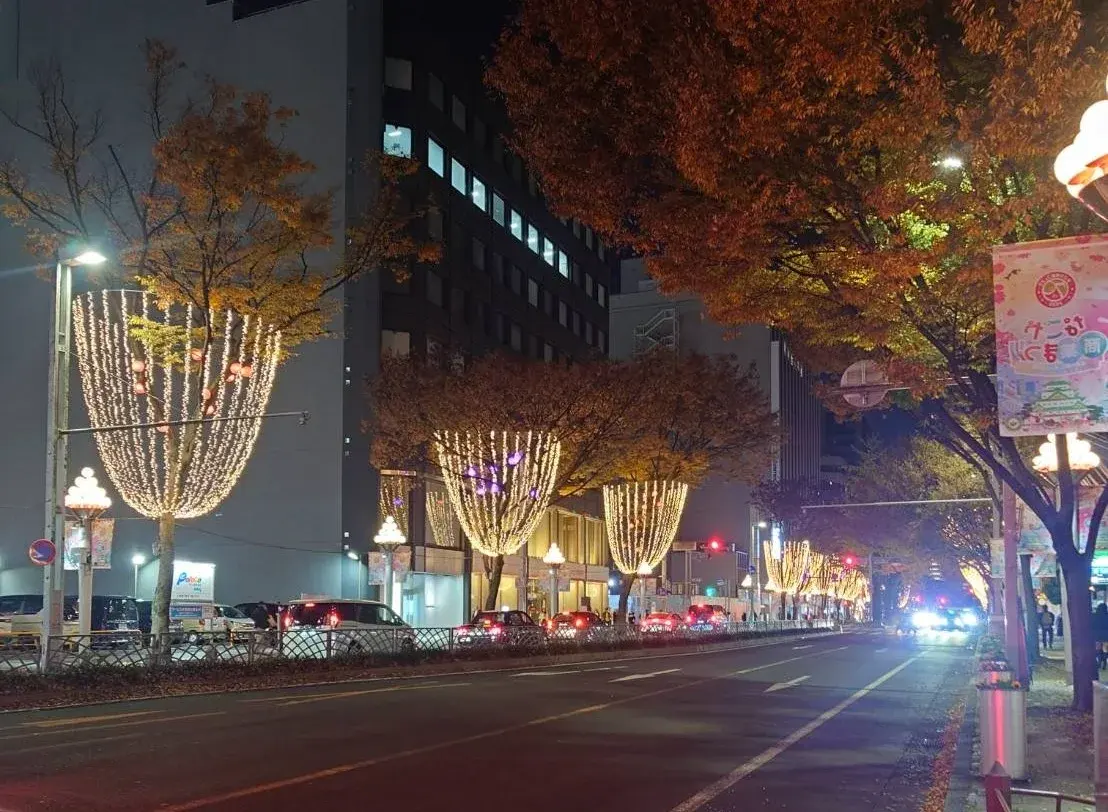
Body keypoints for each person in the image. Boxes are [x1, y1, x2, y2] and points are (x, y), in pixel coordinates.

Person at [1094, 603, 1108, 671]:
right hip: (1106, 635)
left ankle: (1099, 663)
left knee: (1098, 649)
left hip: (1097, 635)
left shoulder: (1095, 616)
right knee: (1105, 650)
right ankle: (1104, 664)